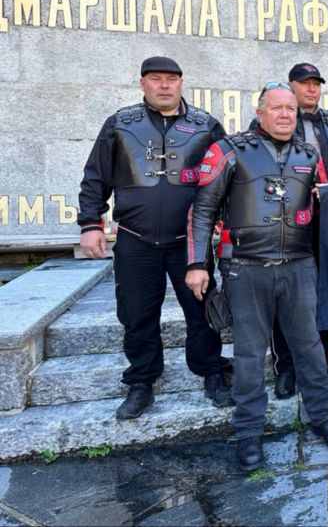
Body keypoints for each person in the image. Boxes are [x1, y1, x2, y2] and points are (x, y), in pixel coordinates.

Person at [186, 83, 328, 471]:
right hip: (245, 269)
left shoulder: (309, 155)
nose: (285, 115)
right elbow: (202, 210)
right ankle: (248, 434)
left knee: (310, 349)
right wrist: (197, 265)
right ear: (259, 112)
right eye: (276, 108)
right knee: (248, 354)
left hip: (298, 267)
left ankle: (324, 418)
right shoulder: (230, 149)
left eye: (291, 109)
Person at [77, 56, 233, 421]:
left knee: (202, 311)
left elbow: (229, 178)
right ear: (142, 83)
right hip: (135, 239)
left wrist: (231, 227)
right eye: (156, 79)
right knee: (136, 313)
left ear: (181, 83)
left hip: (188, 242)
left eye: (171, 79)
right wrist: (90, 223)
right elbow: (95, 177)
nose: (164, 85)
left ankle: (212, 372)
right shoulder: (119, 124)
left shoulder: (206, 126)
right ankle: (141, 381)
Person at [263, 63, 328, 399]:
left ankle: (321, 363)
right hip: (285, 223)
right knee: (284, 298)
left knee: (323, 295)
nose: (311, 89)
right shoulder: (277, 122)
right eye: (304, 83)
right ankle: (285, 368)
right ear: (290, 86)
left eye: (316, 84)